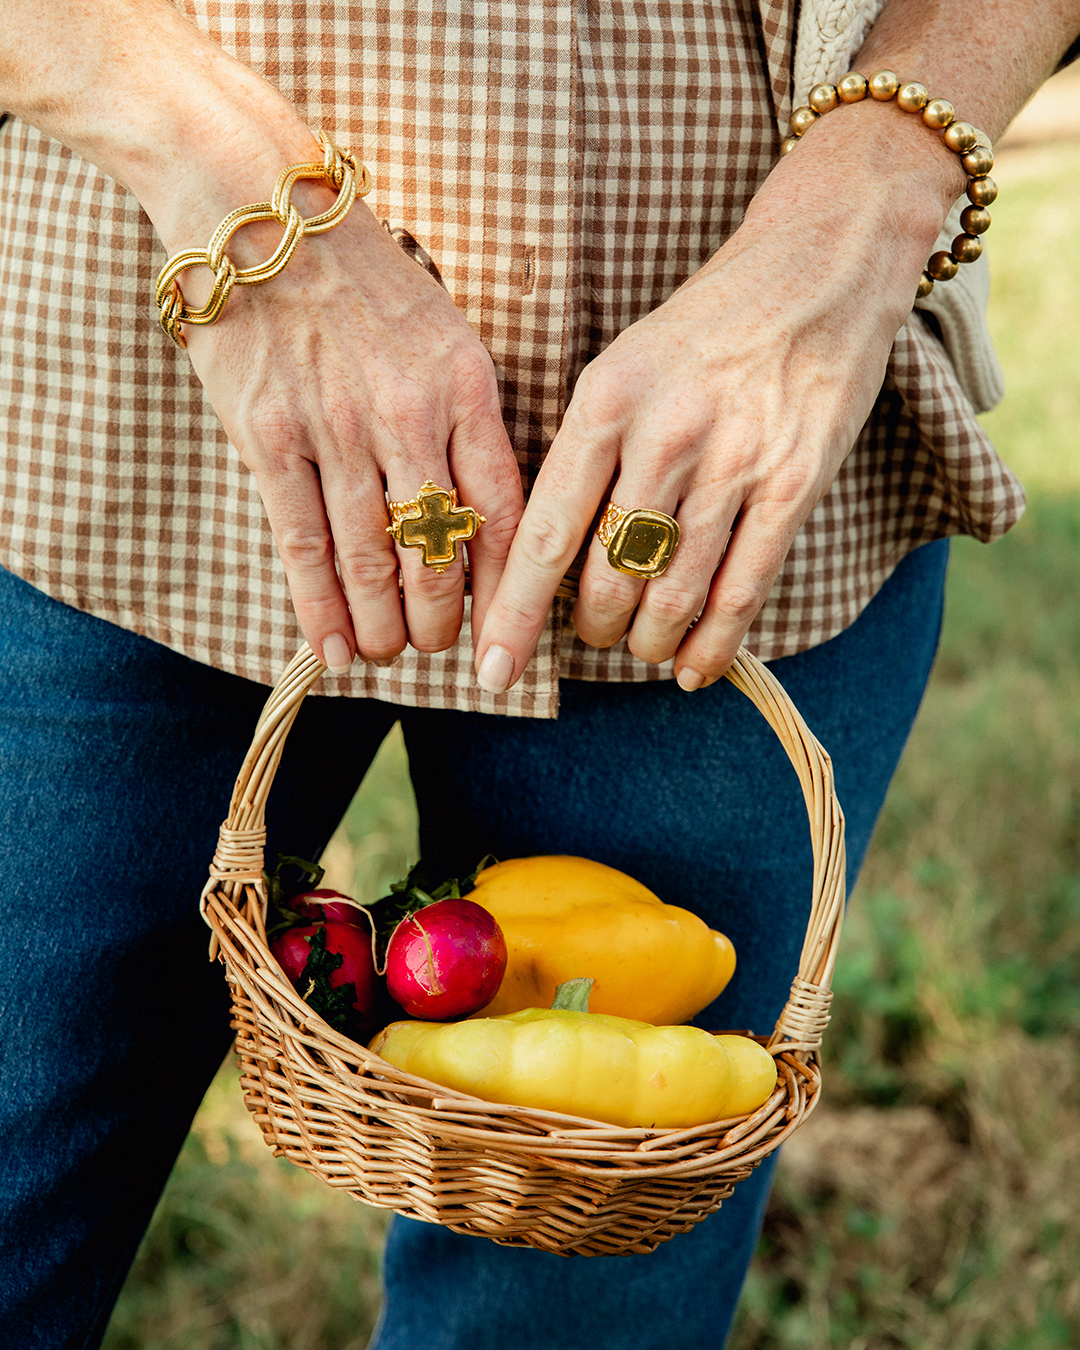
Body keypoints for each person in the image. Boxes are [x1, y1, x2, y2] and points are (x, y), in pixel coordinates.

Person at [0, 0, 1076, 1345]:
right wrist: (200, 155)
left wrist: (873, 197)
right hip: (147, 378)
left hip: (736, 467)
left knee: (577, 1314)